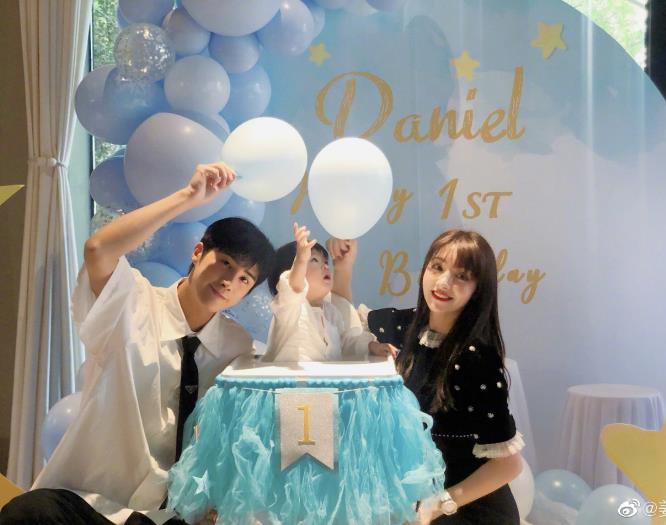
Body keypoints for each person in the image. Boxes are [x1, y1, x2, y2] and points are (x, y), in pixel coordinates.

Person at [0, 163, 274, 525]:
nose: (229, 281)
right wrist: (187, 197)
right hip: (94, 504)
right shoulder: (132, 303)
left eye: (244, 279)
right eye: (224, 263)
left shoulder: (237, 348)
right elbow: (98, 249)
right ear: (197, 252)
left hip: (172, 513)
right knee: (25, 513)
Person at [368, 230, 524, 524]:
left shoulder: (476, 359)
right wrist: (344, 266)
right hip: (422, 503)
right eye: (437, 267)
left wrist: (438, 504)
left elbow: (509, 465)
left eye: (461, 276)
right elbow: (352, 318)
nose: (443, 282)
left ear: (478, 289)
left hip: (470, 510)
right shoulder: (409, 326)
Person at [262, 223, 394, 362]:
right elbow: (293, 288)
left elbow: (346, 345)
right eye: (314, 260)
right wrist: (300, 260)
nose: (325, 266)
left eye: (325, 261)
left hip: (325, 376)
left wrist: (371, 347)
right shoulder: (289, 308)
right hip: (290, 376)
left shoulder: (331, 313)